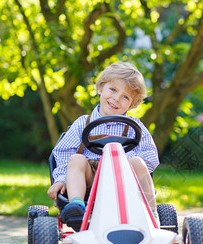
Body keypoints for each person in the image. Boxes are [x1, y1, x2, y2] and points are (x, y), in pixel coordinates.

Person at [47, 62, 159, 226]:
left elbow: (150, 156)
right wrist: (61, 179)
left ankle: (152, 214)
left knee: (138, 161)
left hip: (123, 176)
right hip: (89, 178)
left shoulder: (135, 127)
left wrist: (129, 162)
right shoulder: (83, 123)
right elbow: (63, 154)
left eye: (125, 97)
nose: (116, 98)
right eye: (113, 90)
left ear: (132, 104)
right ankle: (77, 207)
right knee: (76, 159)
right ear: (100, 88)